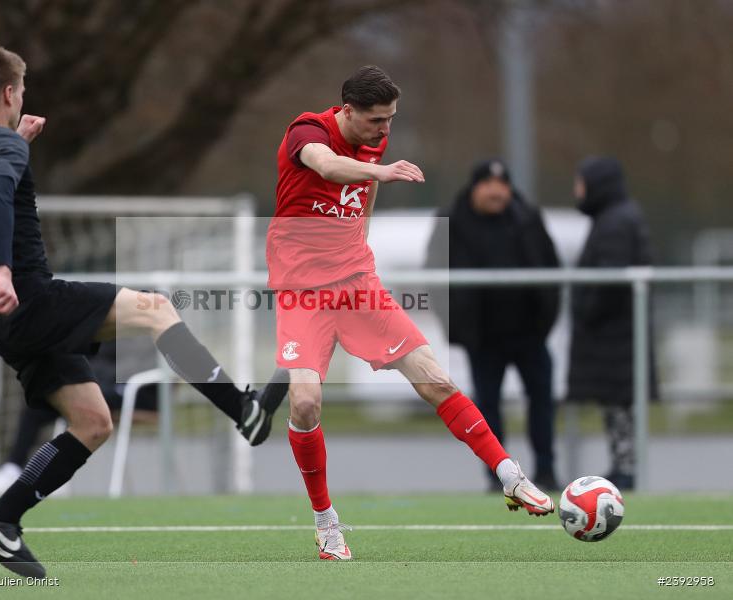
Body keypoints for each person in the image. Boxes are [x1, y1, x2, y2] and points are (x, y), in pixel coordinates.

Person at [0, 46, 288, 578]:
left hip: (0, 316)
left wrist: (17, 146)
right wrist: (5, 269)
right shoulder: (3, 147)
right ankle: (244, 412)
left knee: (93, 422)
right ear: (10, 93)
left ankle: (1, 520)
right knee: (155, 308)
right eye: (21, 92)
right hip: (30, 297)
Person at [267, 65, 554, 561]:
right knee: (306, 402)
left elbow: (364, 195)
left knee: (435, 379)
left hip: (356, 281)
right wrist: (382, 170)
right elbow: (330, 167)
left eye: (392, 119)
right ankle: (326, 522)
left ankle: (510, 476)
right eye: (377, 120)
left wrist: (359, 240)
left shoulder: (376, 141)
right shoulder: (308, 131)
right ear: (347, 110)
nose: (386, 130)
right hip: (302, 288)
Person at [426, 159, 560, 491]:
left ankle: (546, 469)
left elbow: (552, 270)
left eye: (502, 184)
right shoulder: (453, 221)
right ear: (475, 188)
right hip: (483, 337)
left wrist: (545, 320)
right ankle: (498, 475)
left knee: (542, 399)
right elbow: (433, 277)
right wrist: (458, 325)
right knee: (487, 405)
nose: (496, 191)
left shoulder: (528, 218)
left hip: (529, 333)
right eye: (488, 183)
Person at [567, 156, 656, 490]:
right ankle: (623, 467)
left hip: (616, 336)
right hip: (616, 336)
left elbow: (609, 282)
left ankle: (626, 470)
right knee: (617, 406)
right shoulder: (613, 218)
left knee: (621, 406)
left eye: (581, 182)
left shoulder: (615, 222)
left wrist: (587, 310)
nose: (577, 190)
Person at [0, 340, 159, 497]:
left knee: (79, 400)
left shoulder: (149, 325)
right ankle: (12, 468)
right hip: (103, 388)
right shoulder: (105, 324)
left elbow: (139, 366)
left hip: (138, 394)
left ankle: (51, 478)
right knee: (38, 406)